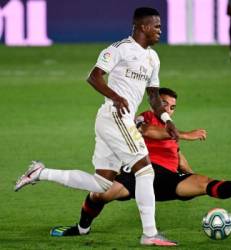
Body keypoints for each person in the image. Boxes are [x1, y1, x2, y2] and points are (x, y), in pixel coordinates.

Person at [14, 7, 180, 246]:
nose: (160, 31)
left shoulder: (153, 58)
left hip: (115, 119)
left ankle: (39, 172)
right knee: (145, 169)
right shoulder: (120, 49)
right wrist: (116, 97)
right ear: (143, 26)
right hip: (115, 116)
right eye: (156, 26)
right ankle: (150, 234)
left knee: (102, 183)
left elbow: (153, 96)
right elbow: (94, 76)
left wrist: (167, 120)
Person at [48, 87, 231, 239]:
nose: (168, 109)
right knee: (99, 195)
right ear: (155, 103)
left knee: (205, 183)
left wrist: (190, 174)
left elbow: (176, 154)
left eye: (172, 107)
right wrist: (184, 134)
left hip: (167, 178)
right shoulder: (144, 117)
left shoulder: (170, 129)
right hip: (139, 172)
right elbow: (148, 131)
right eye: (164, 104)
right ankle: (81, 228)